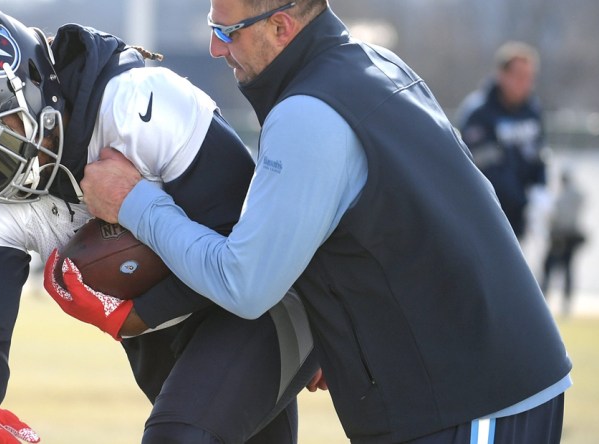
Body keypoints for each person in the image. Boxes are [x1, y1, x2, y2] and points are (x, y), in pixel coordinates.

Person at [75, 1, 573, 443]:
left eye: (227, 32)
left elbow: (243, 283)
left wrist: (134, 202)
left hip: (477, 397)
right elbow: (398, 226)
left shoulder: (307, 112)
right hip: (478, 387)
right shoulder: (377, 63)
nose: (213, 47)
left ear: (281, 27)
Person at [0, 5, 318, 444]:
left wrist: (133, 315)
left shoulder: (139, 106)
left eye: (2, 142)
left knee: (176, 437)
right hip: (164, 342)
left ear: (33, 85)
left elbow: (250, 240)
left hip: (263, 306)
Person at [456, 41, 547, 240]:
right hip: (487, 217)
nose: (525, 83)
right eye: (519, 76)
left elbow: (538, 154)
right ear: (502, 75)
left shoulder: (532, 111)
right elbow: (484, 167)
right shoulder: (479, 113)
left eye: (529, 77)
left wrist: (541, 188)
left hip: (521, 217)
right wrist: (524, 202)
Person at [540, 166, 586, 316]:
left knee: (553, 268)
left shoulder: (565, 196)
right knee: (563, 269)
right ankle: (559, 301)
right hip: (566, 236)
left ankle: (550, 299)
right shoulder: (572, 195)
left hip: (561, 237)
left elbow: (556, 216)